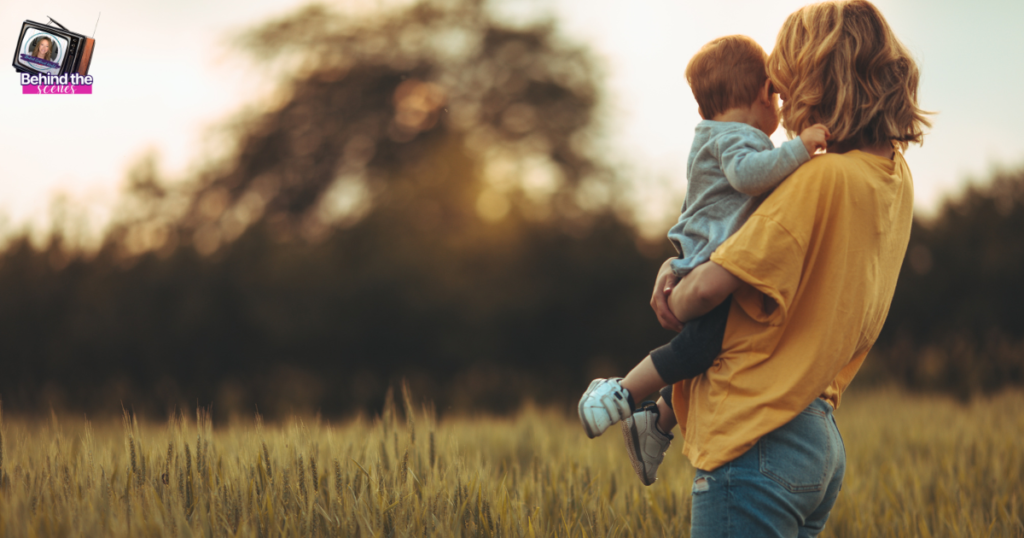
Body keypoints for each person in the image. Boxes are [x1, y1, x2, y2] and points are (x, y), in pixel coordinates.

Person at [652, 1, 928, 536]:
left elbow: (704, 290)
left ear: (816, 79)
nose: (776, 93)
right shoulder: (893, 178)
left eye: (782, 83)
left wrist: (672, 287)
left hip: (756, 435)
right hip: (816, 437)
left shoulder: (818, 180)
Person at [577, 34, 830, 485]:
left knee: (715, 352)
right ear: (763, 94)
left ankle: (654, 424)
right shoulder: (738, 138)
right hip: (709, 262)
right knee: (697, 349)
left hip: (703, 256)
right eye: (777, 93)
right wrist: (801, 147)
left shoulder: (714, 132)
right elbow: (750, 176)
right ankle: (620, 392)